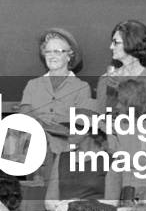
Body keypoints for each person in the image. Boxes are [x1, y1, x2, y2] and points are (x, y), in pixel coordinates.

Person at [19, 28, 92, 180]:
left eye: (58, 51)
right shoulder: (33, 85)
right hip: (34, 157)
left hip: (66, 158)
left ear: (69, 55)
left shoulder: (82, 87)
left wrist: (49, 130)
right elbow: (24, 119)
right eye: (48, 51)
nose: (52, 56)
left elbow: (81, 128)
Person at [97, 19, 146, 108]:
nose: (111, 47)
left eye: (116, 42)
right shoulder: (105, 80)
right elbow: (101, 115)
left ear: (131, 43)